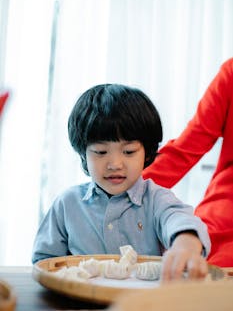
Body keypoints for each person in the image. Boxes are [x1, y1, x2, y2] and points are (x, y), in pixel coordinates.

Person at [32, 83, 210, 281]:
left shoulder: (157, 199)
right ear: (83, 153)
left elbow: (179, 219)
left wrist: (186, 243)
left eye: (129, 152)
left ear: (147, 153)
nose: (115, 164)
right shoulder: (67, 204)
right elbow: (44, 263)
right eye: (100, 152)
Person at [143, 58, 233, 268]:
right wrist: (127, 189)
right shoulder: (230, 74)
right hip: (224, 213)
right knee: (195, 266)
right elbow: (186, 148)